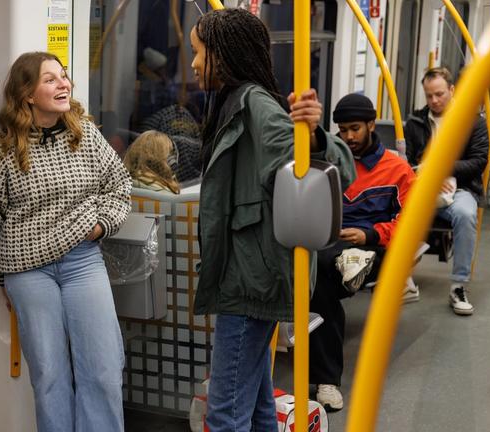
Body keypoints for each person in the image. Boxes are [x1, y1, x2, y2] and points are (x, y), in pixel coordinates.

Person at [188, 9, 356, 431]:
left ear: (223, 55)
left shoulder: (258, 109)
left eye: (198, 52)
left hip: (252, 281)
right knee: (262, 408)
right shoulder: (235, 102)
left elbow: (329, 174)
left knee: (225, 411)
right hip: (246, 273)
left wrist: (315, 137)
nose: (192, 63)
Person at [0, 52, 131, 432]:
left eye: (64, 76)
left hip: (82, 261)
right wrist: (1, 279)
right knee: (49, 377)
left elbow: (120, 186)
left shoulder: (86, 134)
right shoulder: (1, 149)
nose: (64, 84)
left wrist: (99, 227)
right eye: (51, 79)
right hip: (27, 274)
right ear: (27, 94)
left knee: (104, 368)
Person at [310, 93, 416, 411]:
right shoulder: (332, 164)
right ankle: (325, 380)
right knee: (322, 277)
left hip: (375, 246)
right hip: (331, 244)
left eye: (355, 128)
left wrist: (370, 233)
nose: (348, 137)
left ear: (372, 124)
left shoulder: (397, 171)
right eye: (342, 131)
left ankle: (326, 380)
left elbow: (412, 225)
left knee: (324, 273)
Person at [405, 67, 489, 316]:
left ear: (452, 90)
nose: (434, 101)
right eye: (429, 95)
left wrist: (441, 170)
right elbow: (405, 162)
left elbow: (478, 161)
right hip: (421, 187)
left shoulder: (474, 122)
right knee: (394, 208)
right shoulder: (415, 122)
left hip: (460, 187)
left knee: (465, 214)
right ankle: (401, 277)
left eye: (439, 94)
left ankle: (458, 285)